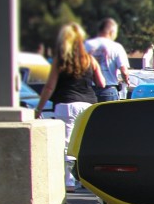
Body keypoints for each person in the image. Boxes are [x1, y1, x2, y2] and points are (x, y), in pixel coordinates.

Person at [34, 23, 106, 191]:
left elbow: (49, 87)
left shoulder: (60, 61)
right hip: (88, 104)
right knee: (84, 144)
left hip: (66, 103)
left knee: (66, 144)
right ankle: (87, 181)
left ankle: (69, 182)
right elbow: (101, 82)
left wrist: (39, 108)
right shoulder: (90, 59)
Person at [83, 17, 132, 101]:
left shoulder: (87, 45)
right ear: (112, 32)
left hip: (89, 89)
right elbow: (124, 71)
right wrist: (126, 81)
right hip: (109, 90)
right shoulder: (116, 47)